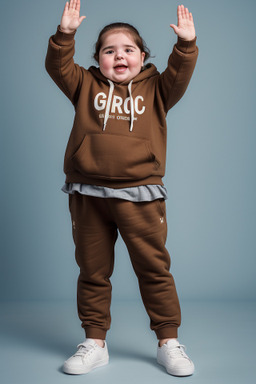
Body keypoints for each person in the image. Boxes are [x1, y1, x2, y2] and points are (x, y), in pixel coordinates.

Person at [45, 0, 199, 377]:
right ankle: (94, 343)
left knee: (153, 269)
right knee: (92, 271)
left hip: (141, 194)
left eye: (128, 49)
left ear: (142, 57)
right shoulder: (84, 84)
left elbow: (179, 73)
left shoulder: (158, 90)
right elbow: (58, 67)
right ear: (97, 59)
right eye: (109, 50)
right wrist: (65, 35)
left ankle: (168, 342)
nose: (119, 55)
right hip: (88, 193)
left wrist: (186, 45)